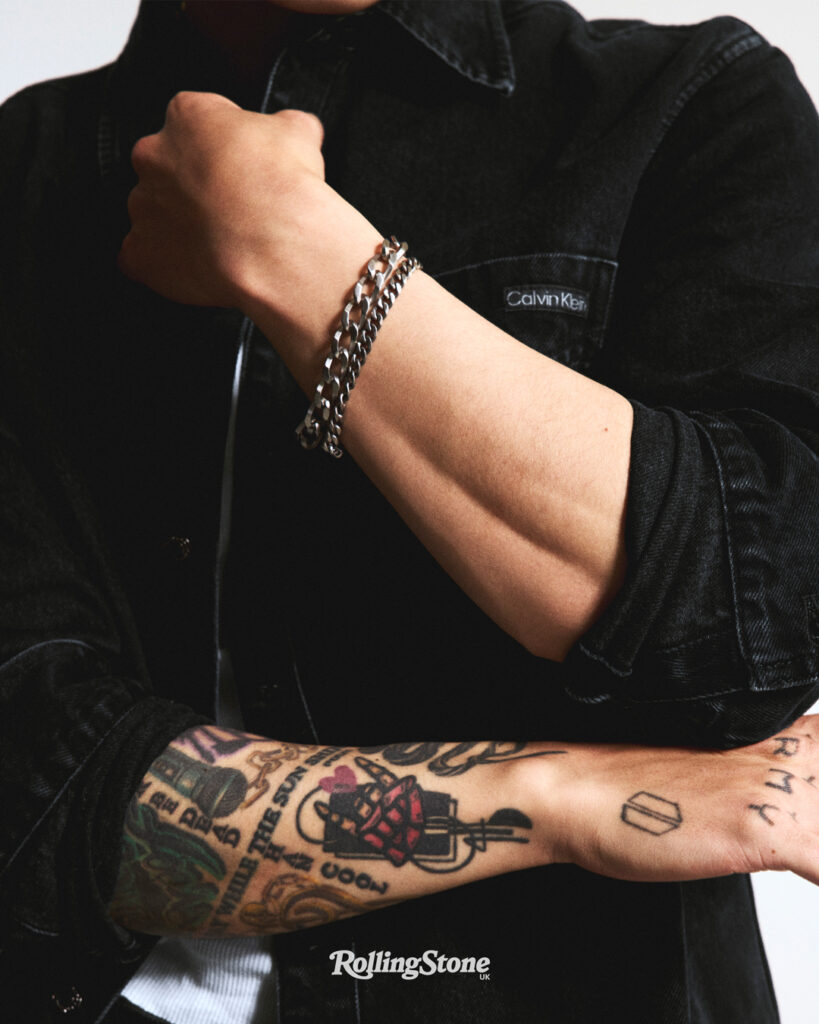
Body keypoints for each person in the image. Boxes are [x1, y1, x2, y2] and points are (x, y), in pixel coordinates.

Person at [1, 1, 817, 1021]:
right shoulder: (24, 172)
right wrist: (559, 796)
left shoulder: (688, 103)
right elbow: (40, 798)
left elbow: (744, 649)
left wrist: (302, 253)